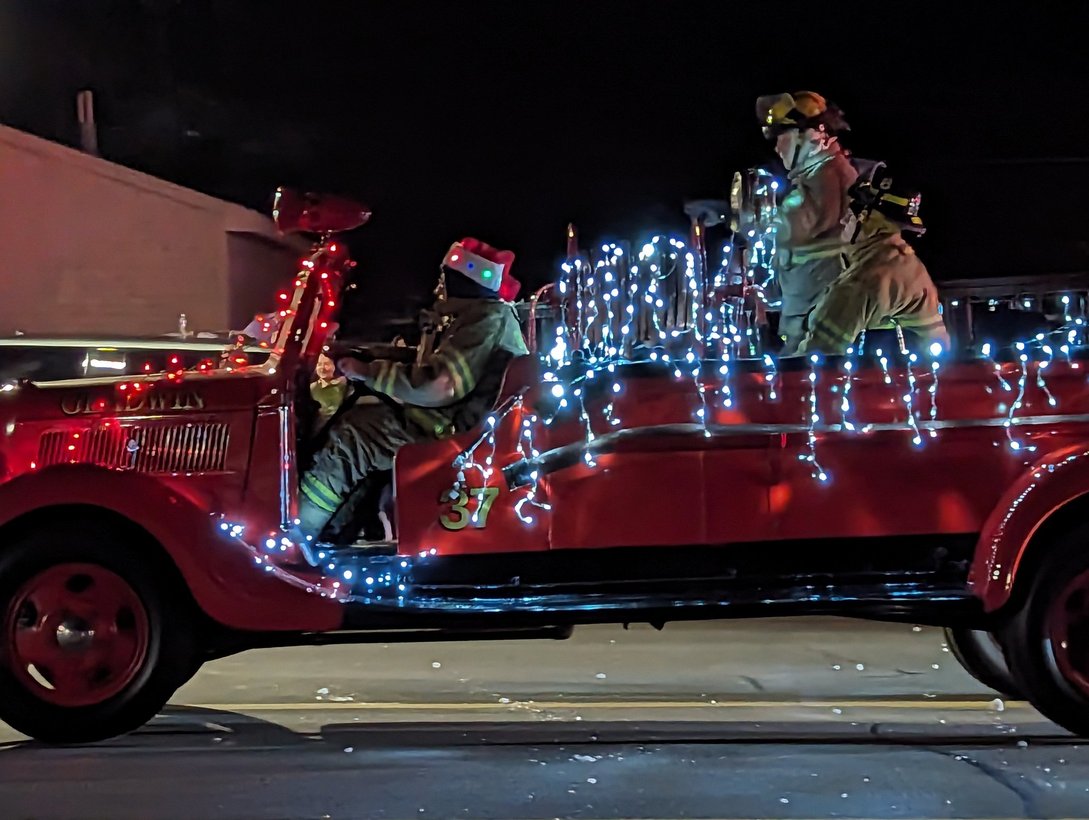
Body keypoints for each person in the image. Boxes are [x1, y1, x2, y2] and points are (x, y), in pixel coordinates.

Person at [291, 237, 528, 561]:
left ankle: (295, 537)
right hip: (456, 421)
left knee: (353, 438)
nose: (439, 286)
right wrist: (368, 356)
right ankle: (339, 533)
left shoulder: (483, 320)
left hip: (453, 430)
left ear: (462, 281)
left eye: (446, 278)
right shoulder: (479, 316)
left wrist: (368, 371)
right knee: (358, 417)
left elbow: (441, 384)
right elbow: (427, 363)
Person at [795, 171, 951, 356]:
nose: (845, 219)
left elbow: (814, 360)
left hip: (873, 382)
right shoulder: (910, 266)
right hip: (913, 379)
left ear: (867, 219)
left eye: (852, 211)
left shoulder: (863, 283)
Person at [756, 91, 858, 354]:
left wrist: (747, 215)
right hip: (807, 324)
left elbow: (792, 227)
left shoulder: (829, 178)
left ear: (811, 135)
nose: (777, 148)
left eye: (782, 137)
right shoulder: (816, 178)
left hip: (818, 333)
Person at [309, 353, 348, 432]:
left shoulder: (343, 384)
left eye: (326, 364)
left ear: (334, 366)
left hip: (342, 427)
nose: (322, 368)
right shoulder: (312, 387)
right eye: (319, 364)